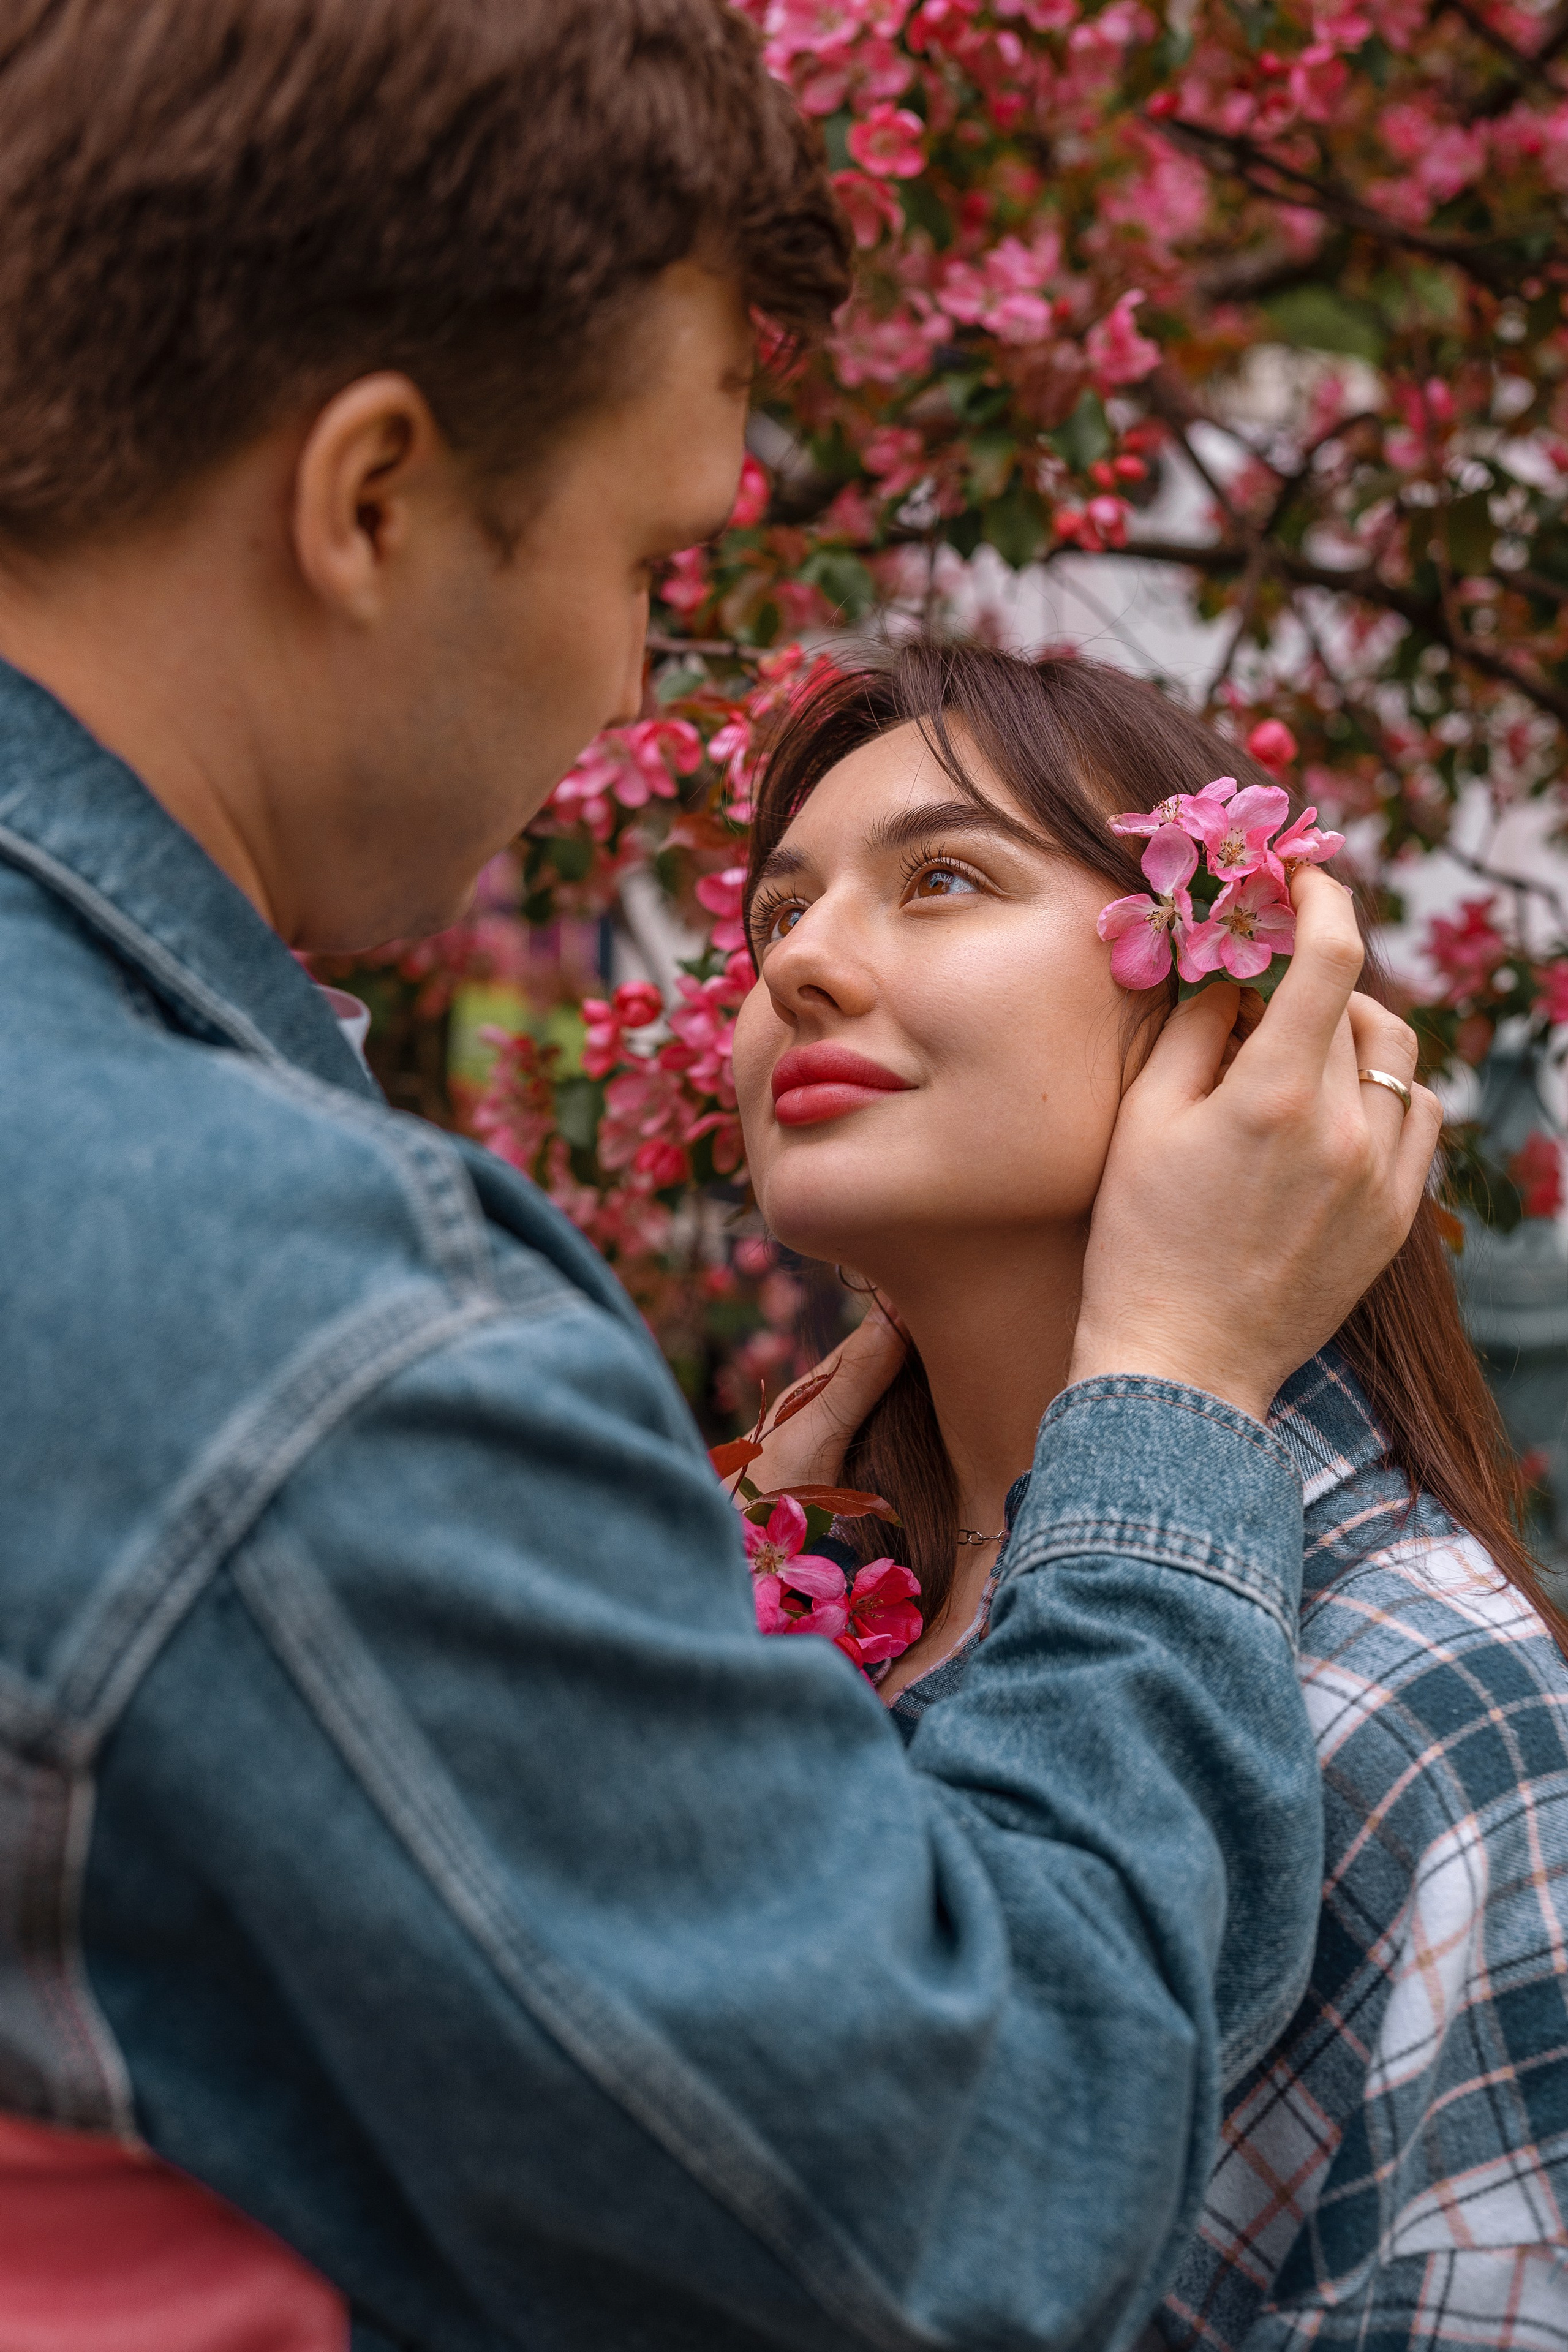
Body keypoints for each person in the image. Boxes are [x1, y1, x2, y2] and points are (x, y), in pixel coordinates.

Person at [0, 3, 1442, 2346]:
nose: (624, 686)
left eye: (949, 882)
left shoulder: (1424, 1686)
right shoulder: (309, 1332)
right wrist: (1168, 1400)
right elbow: (972, 2188)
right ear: (368, 499)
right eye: (653, 558)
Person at [731, 642, 1568, 2350]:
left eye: (944, 878)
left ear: (1224, 1003)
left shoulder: (1416, 1683)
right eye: (772, 920)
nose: (802, 965)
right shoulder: (768, 1607)